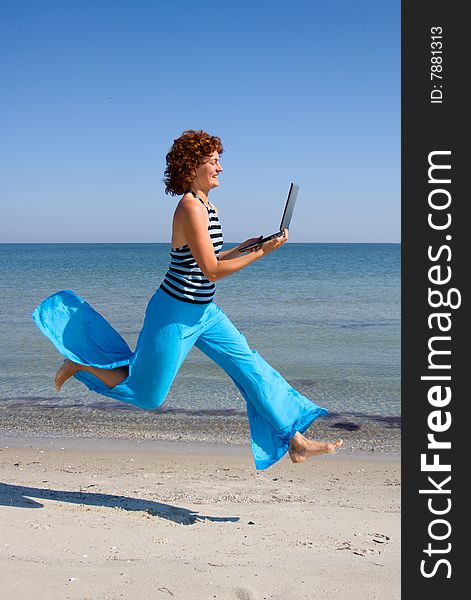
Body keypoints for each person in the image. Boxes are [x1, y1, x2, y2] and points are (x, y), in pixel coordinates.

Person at [32, 130, 342, 470]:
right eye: (213, 162)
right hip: (174, 313)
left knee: (252, 369)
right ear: (193, 166)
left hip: (205, 312)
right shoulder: (190, 207)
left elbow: (205, 256)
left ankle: (295, 442)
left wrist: (246, 247)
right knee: (149, 395)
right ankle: (79, 364)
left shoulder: (208, 205)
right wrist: (262, 254)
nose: (220, 168)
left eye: (219, 160)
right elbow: (211, 270)